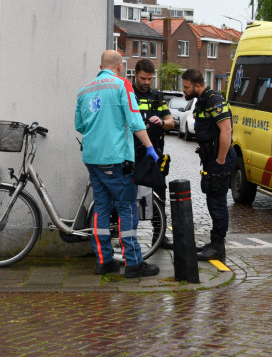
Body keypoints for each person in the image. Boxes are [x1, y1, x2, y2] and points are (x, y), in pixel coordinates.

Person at [75, 50, 160, 278]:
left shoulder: (84, 91)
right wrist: (150, 148)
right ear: (120, 67)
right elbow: (134, 121)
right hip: (116, 159)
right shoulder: (122, 86)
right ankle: (133, 263)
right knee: (126, 209)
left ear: (100, 65)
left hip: (93, 159)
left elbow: (80, 126)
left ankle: (104, 261)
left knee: (101, 208)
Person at [181, 69, 235, 262]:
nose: (184, 90)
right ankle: (214, 242)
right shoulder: (202, 101)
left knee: (218, 202)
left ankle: (218, 247)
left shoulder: (214, 100)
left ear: (197, 85)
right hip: (210, 158)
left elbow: (226, 130)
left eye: (186, 87)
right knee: (212, 199)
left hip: (219, 159)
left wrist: (220, 160)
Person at [132, 59, 176, 249]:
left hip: (154, 155)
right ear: (135, 75)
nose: (147, 82)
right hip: (133, 154)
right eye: (143, 78)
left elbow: (171, 122)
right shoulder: (128, 94)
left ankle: (159, 236)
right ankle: (129, 237)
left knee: (159, 194)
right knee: (131, 197)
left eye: (150, 79)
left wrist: (161, 122)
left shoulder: (157, 96)